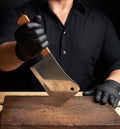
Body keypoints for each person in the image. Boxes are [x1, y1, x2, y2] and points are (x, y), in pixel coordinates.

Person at [0, 0, 120, 108]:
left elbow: (118, 62)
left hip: (84, 108)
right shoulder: (17, 14)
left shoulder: (99, 21)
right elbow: (1, 61)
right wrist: (20, 50)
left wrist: (113, 83)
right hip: (26, 107)